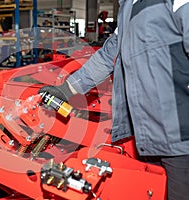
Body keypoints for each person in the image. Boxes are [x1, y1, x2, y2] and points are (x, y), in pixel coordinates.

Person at [39, 0, 189, 199]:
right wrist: (67, 90)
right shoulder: (127, 7)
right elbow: (106, 57)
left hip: (180, 137)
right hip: (147, 138)